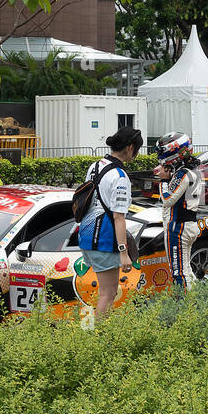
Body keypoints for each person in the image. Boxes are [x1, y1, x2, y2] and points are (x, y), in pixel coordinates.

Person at [78, 126, 141, 320]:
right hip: (103, 239)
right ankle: (99, 338)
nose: (136, 155)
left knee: (102, 291)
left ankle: (90, 330)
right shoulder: (120, 177)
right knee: (108, 293)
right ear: (130, 148)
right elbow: (118, 217)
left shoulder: (95, 166)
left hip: (86, 236)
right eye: (137, 150)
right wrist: (124, 253)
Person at [153, 131, 203, 290]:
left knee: (178, 273)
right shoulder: (194, 169)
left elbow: (168, 199)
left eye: (163, 152)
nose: (161, 158)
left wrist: (163, 180)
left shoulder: (183, 173)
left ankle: (185, 309)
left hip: (178, 228)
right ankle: (195, 301)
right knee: (186, 270)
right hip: (188, 224)